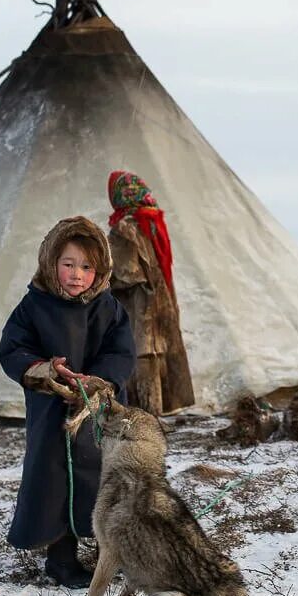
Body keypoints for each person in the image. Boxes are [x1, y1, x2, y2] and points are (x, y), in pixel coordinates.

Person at [0, 216, 135, 588]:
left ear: (100, 269)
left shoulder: (108, 307)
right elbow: (13, 348)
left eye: (87, 267)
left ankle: (112, 553)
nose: (77, 275)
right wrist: (44, 370)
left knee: (103, 476)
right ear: (50, 262)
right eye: (69, 264)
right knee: (55, 479)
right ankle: (61, 559)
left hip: (99, 410)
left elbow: (121, 350)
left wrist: (99, 379)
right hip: (52, 411)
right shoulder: (33, 306)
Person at [106, 170, 194, 415]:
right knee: (155, 350)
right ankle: (159, 407)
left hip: (138, 303)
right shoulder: (152, 221)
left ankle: (146, 412)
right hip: (160, 297)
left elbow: (127, 271)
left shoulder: (124, 227)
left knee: (141, 352)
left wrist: (107, 278)